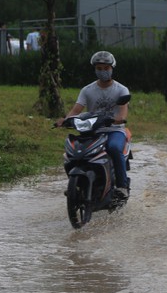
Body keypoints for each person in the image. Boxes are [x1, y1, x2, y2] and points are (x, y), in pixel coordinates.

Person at [55, 51, 131, 199]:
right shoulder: (87, 90)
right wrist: (65, 120)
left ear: (112, 68)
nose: (102, 71)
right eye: (99, 68)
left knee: (114, 148)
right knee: (75, 152)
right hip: (92, 130)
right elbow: (76, 110)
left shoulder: (121, 90)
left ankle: (122, 186)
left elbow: (122, 114)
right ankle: (75, 185)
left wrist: (117, 119)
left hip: (114, 130)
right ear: (94, 69)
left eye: (106, 68)